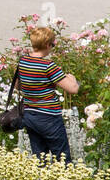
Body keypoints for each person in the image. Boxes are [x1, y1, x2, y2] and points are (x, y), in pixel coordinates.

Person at [17, 26, 79, 161]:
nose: (52, 47)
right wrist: (71, 78)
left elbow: (18, 85)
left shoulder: (23, 62)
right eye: (53, 44)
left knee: (40, 158)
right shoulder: (48, 66)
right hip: (49, 117)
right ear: (46, 44)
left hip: (30, 115)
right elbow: (73, 89)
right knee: (62, 158)